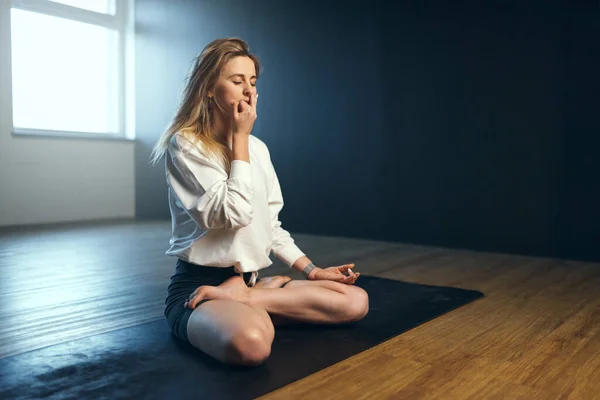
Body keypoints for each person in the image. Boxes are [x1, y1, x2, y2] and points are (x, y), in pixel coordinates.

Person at [149, 38, 369, 367]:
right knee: (252, 345)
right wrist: (240, 139)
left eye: (252, 82)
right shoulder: (186, 144)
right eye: (237, 81)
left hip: (246, 283)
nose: (248, 92)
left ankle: (250, 296)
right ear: (209, 88)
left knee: (356, 301)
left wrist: (312, 271)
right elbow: (233, 215)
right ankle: (252, 306)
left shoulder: (259, 149)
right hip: (199, 288)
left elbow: (270, 225)